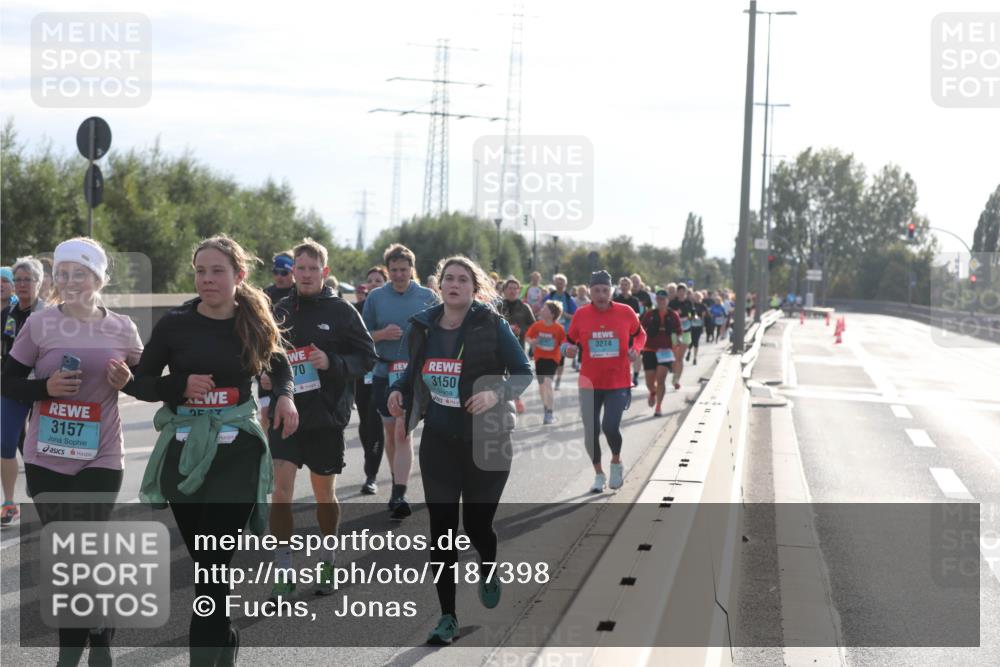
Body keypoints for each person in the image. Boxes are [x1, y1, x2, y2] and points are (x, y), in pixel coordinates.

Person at [126, 234, 299, 666]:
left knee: (210, 570)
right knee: (208, 566)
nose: (207, 279)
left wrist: (284, 395)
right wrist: (178, 386)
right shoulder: (175, 324)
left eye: (217, 270)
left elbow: (278, 362)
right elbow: (142, 382)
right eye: (200, 271)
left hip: (237, 454)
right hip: (185, 455)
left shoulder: (254, 318)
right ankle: (225, 639)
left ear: (238, 276)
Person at [1, 238, 143, 666]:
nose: (69, 280)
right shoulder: (39, 325)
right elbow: (8, 382)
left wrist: (128, 381)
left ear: (99, 278)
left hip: (100, 457)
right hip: (45, 458)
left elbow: (149, 380)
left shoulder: (121, 327)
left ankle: (74, 653)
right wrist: (44, 389)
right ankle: (97, 625)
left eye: (79, 272)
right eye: (62, 273)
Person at [386, 256, 531, 646]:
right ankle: (447, 616)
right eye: (448, 278)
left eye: (462, 279)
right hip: (440, 440)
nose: (454, 284)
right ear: (439, 286)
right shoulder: (423, 326)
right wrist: (397, 392)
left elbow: (524, 371)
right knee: (442, 533)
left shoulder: (492, 325)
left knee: (477, 527)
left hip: (488, 440)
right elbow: (406, 372)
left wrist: (494, 392)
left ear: (474, 288)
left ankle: (487, 565)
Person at [259, 239, 375, 600]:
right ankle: (283, 570)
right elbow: (261, 357)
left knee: (325, 493)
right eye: (300, 268)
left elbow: (367, 358)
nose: (305, 275)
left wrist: (334, 363)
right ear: (292, 272)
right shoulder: (276, 310)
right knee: (281, 491)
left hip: (326, 415)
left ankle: (327, 559)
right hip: (285, 412)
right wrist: (264, 383)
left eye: (312, 269)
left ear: (324, 272)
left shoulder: (341, 312)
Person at [362, 244, 439, 519]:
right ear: (388, 270)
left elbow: (439, 333)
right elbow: (363, 335)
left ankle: (399, 492)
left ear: (412, 269)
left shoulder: (428, 296)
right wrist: (382, 334)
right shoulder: (375, 298)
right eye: (393, 270)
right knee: (390, 430)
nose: (398, 275)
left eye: (403, 270)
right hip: (384, 372)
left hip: (413, 375)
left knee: (402, 431)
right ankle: (398, 480)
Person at [564, 271, 646, 493]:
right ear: (590, 291)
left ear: (611, 291)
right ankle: (599, 474)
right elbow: (568, 342)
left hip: (617, 381)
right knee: (591, 431)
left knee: (610, 426)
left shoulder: (625, 312)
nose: (601, 295)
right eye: (596, 290)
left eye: (605, 290)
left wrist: (635, 349)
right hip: (589, 383)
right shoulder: (581, 315)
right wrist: (568, 350)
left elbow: (640, 335)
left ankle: (616, 462)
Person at [1, 257, 46, 526]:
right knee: (6, 443)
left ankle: (42, 494)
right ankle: (8, 503)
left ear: (39, 282)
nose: (21, 284)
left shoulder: (48, 315)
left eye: (27, 279)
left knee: (40, 448)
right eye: (17, 279)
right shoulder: (9, 314)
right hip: (13, 386)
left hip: (43, 388)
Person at [355, 266, 388, 494]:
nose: (374, 283)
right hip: (361, 374)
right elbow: (355, 339)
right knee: (364, 425)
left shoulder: (390, 309)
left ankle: (371, 475)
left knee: (375, 423)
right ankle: (370, 461)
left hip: (383, 373)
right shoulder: (357, 309)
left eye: (378, 280)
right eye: (371, 280)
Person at [640, 290, 682, 417]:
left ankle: (658, 406)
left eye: (663, 299)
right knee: (649, 381)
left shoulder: (673, 315)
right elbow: (641, 329)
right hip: (649, 350)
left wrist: (677, 341)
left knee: (661, 379)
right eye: (658, 299)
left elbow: (679, 331)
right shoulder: (649, 314)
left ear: (667, 300)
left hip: (665, 351)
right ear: (656, 300)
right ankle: (652, 391)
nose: (661, 301)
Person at [524, 300, 566, 425]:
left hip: (552, 359)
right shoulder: (537, 326)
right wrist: (532, 342)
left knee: (547, 383)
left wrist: (565, 349)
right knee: (542, 386)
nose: (542, 310)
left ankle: (550, 412)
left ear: (552, 314)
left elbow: (563, 343)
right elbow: (527, 336)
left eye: (545, 309)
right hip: (539, 358)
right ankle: (546, 407)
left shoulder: (559, 328)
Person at [548, 274, 577, 383]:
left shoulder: (569, 298)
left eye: (562, 282)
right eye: (558, 282)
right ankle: (551, 375)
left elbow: (575, 315)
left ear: (565, 284)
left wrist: (564, 314)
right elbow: (543, 310)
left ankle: (558, 378)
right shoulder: (550, 296)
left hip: (564, 330)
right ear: (554, 283)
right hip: (550, 330)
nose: (559, 284)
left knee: (561, 356)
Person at [613, 277, 641, 387]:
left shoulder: (634, 300)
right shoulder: (616, 299)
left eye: (626, 285)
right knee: (621, 355)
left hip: (632, 330)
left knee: (634, 354)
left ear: (630, 286)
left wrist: (630, 318)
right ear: (620, 286)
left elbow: (638, 314)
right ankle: (624, 377)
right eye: (622, 285)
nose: (624, 287)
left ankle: (635, 376)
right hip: (619, 331)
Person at [668, 283, 694, 390]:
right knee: (675, 357)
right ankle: (674, 372)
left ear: (686, 292)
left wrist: (687, 318)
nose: (682, 293)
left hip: (686, 331)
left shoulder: (689, 303)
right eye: (680, 291)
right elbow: (668, 316)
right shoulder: (672, 303)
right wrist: (676, 316)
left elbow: (692, 315)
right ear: (677, 292)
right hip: (675, 332)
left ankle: (676, 380)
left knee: (680, 358)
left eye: (684, 291)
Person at [688, 291, 708, 366]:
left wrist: (703, 327)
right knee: (691, 340)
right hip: (692, 325)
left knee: (696, 341)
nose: (697, 298)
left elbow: (703, 317)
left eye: (698, 297)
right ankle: (689, 351)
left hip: (699, 326)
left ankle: (695, 358)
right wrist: (691, 317)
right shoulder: (691, 305)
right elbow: (689, 313)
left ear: (701, 298)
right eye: (695, 297)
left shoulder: (703, 306)